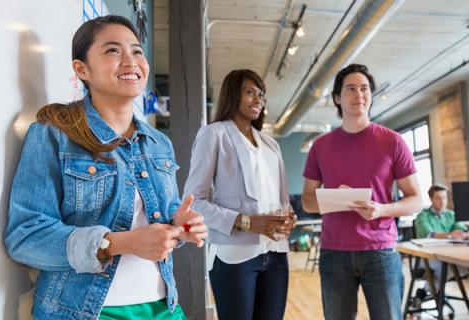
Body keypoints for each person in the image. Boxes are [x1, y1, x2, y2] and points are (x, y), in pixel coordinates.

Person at [4, 15, 207, 320]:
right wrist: (120, 243)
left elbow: (156, 221)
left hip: (164, 307)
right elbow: (26, 238)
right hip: (80, 311)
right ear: (81, 69)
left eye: (137, 51)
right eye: (113, 51)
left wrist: (179, 224)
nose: (130, 61)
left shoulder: (158, 143)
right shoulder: (53, 134)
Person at [301, 63, 423, 320]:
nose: (359, 94)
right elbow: (308, 202)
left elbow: (416, 200)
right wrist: (335, 199)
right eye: (351, 88)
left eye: (365, 88)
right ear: (337, 98)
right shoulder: (320, 147)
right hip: (334, 253)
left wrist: (382, 209)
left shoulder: (393, 141)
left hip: (381, 251)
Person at [183, 69, 296, 320]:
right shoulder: (214, 134)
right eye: (249, 92)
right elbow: (194, 203)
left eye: (261, 95)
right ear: (233, 95)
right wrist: (246, 222)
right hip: (234, 257)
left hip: (276, 253)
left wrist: (288, 218)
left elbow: (283, 201)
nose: (258, 99)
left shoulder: (271, 144)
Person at [413, 183, 468, 303]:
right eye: (438, 198)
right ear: (431, 199)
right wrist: (449, 235)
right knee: (444, 266)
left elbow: (460, 228)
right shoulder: (423, 216)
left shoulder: (451, 214)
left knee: (463, 265)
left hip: (448, 255)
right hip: (427, 257)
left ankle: (423, 292)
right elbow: (429, 233)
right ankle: (435, 292)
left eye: (444, 197)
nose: (442, 201)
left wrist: (463, 233)